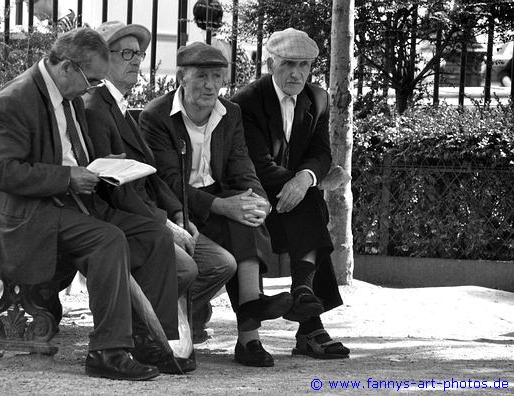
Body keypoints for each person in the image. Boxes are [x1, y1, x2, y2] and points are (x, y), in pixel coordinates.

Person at [0, 27, 180, 381]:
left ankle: (152, 342)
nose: (93, 88)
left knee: (154, 234)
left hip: (75, 205)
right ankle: (107, 351)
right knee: (107, 238)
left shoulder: (68, 94)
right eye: (93, 80)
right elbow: (0, 171)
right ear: (68, 67)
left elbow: (72, 154)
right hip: (31, 217)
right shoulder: (15, 100)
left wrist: (106, 165)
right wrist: (67, 178)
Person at [83, 20, 236, 361]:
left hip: (154, 214)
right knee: (186, 268)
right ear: (101, 59)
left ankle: (173, 317)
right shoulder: (95, 108)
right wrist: (165, 225)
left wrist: (178, 213)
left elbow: (151, 176)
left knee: (222, 263)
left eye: (139, 53)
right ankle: (149, 332)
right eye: (125, 53)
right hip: (125, 221)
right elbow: (112, 188)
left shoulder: (119, 105)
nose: (136, 60)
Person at [140, 42, 293, 368]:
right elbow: (168, 182)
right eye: (201, 76)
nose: (210, 85)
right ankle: (246, 327)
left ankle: (249, 330)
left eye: (217, 76)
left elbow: (242, 165)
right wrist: (225, 207)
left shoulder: (230, 113)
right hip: (177, 206)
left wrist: (258, 200)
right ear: (181, 76)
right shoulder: (157, 117)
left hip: (214, 197)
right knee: (234, 213)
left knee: (246, 214)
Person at [231, 28, 350, 359]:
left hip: (295, 203)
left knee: (308, 201)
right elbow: (256, 162)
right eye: (287, 64)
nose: (296, 73)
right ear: (271, 63)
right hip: (254, 195)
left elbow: (321, 153)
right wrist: (302, 184)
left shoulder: (318, 98)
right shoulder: (247, 102)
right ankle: (310, 324)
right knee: (308, 201)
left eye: (304, 65)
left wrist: (306, 179)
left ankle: (303, 295)